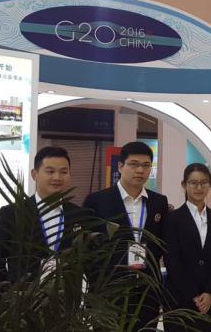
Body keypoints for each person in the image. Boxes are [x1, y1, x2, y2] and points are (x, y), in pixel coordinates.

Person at [82, 141, 169, 331]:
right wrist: (98, 281)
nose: (140, 170)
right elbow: (86, 248)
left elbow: (162, 244)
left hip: (146, 294)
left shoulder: (158, 202)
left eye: (146, 165)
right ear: (120, 166)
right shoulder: (97, 201)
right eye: (134, 164)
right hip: (108, 292)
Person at [0, 146, 84, 284]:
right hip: (22, 295)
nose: (57, 177)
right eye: (50, 171)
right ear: (34, 174)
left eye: (63, 172)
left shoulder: (79, 215)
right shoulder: (12, 213)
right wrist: (7, 291)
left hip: (66, 295)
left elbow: (88, 260)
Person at [162, 163, 211, 331]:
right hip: (179, 298)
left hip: (210, 301)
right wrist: (194, 294)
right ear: (184, 185)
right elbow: (172, 259)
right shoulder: (172, 219)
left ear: (210, 185)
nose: (199, 187)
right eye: (193, 183)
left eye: (204, 183)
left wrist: (210, 292)